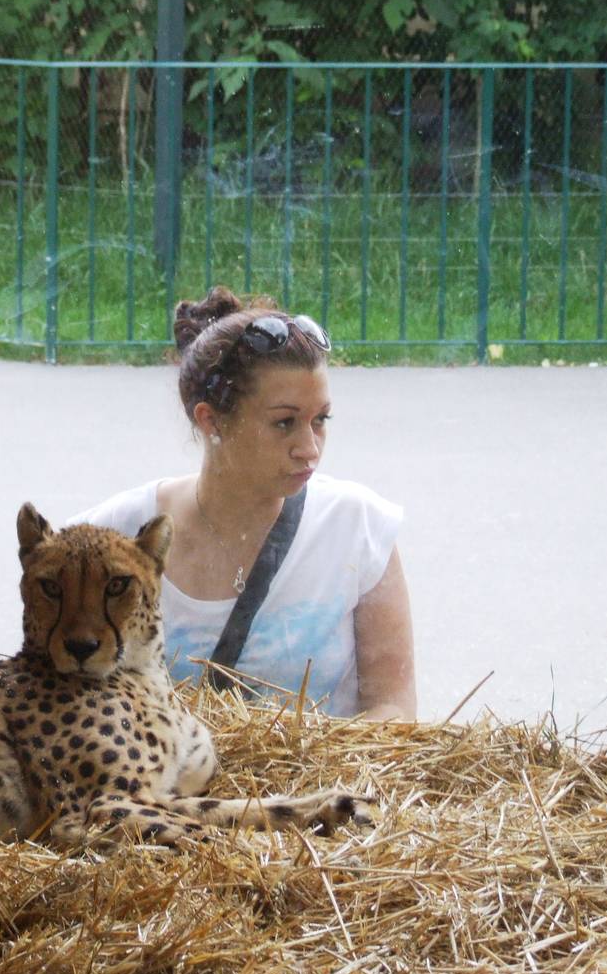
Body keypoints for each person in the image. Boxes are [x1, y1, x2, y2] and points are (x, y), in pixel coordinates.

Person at [72, 286, 416, 721]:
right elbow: (54, 699)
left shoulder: (360, 529)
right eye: (284, 423)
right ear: (211, 419)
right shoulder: (108, 538)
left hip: (324, 789)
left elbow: (395, 710)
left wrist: (304, 775)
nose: (309, 449)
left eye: (320, 420)